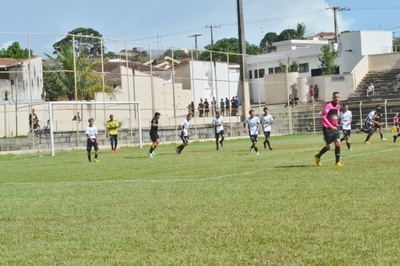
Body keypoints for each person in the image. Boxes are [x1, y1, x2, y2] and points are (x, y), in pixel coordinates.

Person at [314, 91, 343, 167]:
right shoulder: (328, 106)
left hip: (335, 127)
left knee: (338, 143)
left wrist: (337, 123)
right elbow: (324, 117)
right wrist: (331, 126)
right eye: (335, 97)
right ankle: (318, 156)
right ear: (332, 98)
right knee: (329, 146)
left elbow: (335, 116)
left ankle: (337, 162)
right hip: (327, 128)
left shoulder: (338, 106)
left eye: (338, 97)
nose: (337, 98)